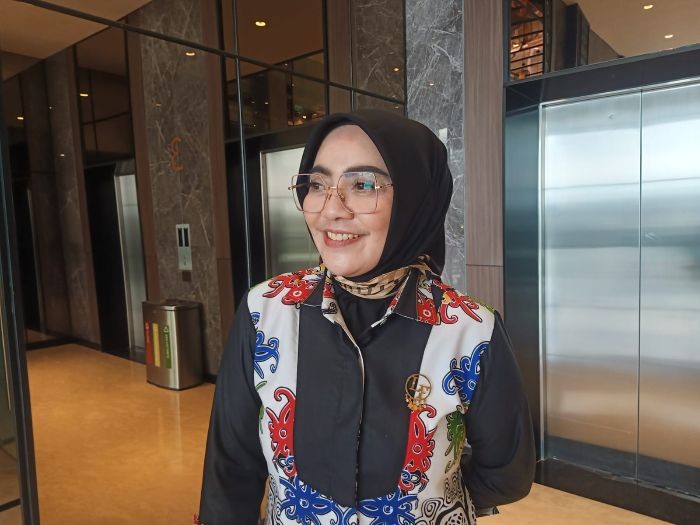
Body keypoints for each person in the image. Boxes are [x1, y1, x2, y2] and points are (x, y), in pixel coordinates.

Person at [198, 110, 535, 525]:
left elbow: (507, 471)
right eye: (317, 184)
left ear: (415, 199)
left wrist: (431, 498)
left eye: (363, 185)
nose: (331, 210)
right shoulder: (266, 311)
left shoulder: (470, 331)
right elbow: (230, 470)